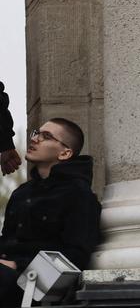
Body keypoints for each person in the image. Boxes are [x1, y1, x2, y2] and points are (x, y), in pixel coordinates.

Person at [0, 118, 100, 306]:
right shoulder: (21, 193)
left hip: (40, 290)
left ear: (65, 152)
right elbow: (7, 243)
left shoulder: (79, 194)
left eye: (46, 136)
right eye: (36, 133)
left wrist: (18, 266)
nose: (35, 139)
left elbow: (76, 255)